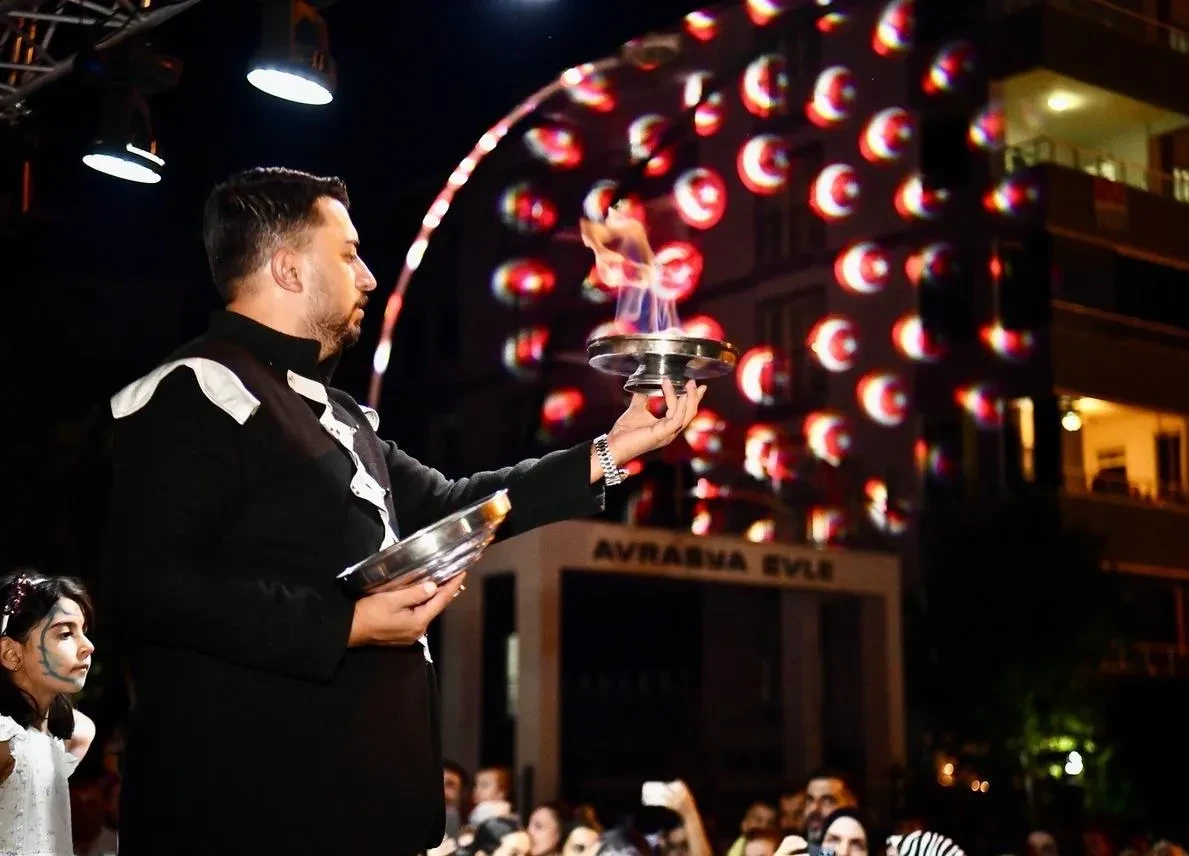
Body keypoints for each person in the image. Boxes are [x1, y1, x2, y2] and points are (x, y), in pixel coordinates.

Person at [103, 167, 708, 856]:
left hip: (357, 819)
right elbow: (146, 586)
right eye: (349, 255)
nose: (367, 278)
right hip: (249, 820)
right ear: (288, 269)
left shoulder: (337, 414)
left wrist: (611, 451)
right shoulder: (197, 391)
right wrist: (347, 624)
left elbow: (452, 505)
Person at [0, 571, 98, 856]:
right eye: (65, 634)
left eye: (84, 631)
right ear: (11, 654)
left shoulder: (71, 737)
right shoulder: (6, 742)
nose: (88, 646)